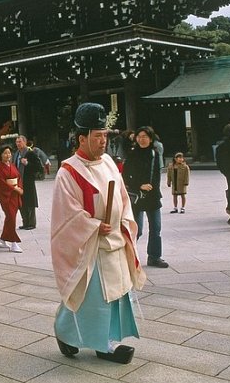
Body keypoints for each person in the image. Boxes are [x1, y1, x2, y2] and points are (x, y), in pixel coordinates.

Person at [51, 102, 146, 364]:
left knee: (116, 293)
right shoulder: (68, 171)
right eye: (97, 136)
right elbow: (65, 214)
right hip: (91, 244)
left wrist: (124, 220)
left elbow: (123, 198)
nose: (103, 141)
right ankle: (101, 344)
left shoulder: (108, 163)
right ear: (82, 138)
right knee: (93, 295)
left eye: (105, 135)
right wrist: (92, 225)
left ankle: (88, 335)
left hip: (114, 238)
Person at [123, 126, 169, 268]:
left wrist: (153, 188)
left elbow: (157, 175)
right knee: (137, 229)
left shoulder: (154, 154)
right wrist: (139, 185)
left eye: (145, 137)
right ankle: (130, 256)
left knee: (156, 227)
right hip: (136, 196)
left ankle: (154, 257)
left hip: (152, 195)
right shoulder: (132, 154)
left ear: (150, 139)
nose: (142, 139)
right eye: (139, 136)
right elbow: (125, 176)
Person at [0, 145, 23, 252]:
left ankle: (2, 240)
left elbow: (18, 177)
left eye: (9, 153)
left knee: (10, 217)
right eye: (5, 153)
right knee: (11, 217)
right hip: (6, 195)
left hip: (14, 195)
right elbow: (1, 183)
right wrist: (15, 189)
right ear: (0, 155)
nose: (8, 155)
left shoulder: (13, 165)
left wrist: (19, 187)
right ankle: (14, 242)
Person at [14, 135, 43, 230]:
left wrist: (27, 164)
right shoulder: (16, 154)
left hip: (28, 181)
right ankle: (25, 222)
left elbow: (38, 167)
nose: (18, 144)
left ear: (25, 142)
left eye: (20, 142)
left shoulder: (30, 153)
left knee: (30, 203)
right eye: (17, 142)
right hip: (19, 182)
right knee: (21, 203)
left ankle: (31, 223)